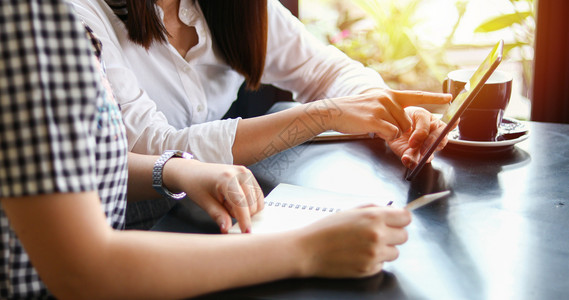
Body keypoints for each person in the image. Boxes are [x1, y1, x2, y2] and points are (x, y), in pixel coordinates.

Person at [0, 1, 411, 298]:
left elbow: (81, 160)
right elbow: (83, 272)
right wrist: (308, 249)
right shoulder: (45, 24)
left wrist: (173, 169)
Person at [69, 0, 451, 229]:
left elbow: (324, 70)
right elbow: (152, 149)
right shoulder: (78, 16)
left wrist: (384, 112)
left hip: (216, 204)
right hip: (120, 222)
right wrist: (322, 115)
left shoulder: (228, 8)